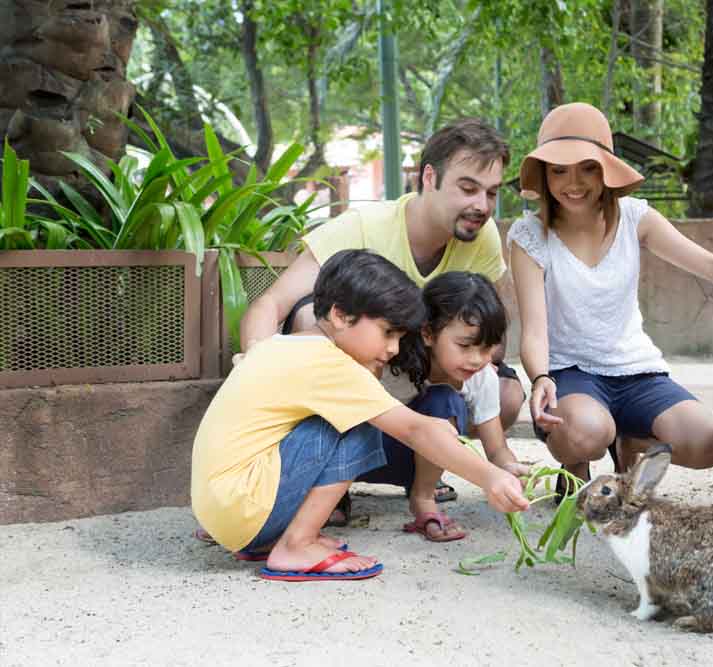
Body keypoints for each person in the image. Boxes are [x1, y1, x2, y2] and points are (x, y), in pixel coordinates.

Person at [242, 119, 527, 518]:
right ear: (429, 177)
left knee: (504, 393)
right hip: (358, 384)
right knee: (313, 320)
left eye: (491, 193)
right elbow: (269, 306)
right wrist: (257, 362)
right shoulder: (363, 228)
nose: (481, 205)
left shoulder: (481, 237)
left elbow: (491, 336)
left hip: (421, 383)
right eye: (468, 188)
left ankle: (424, 471)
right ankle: (324, 474)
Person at [191, 249, 528, 581]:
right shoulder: (331, 365)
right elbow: (413, 431)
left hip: (226, 512)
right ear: (340, 316)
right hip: (243, 509)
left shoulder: (290, 346)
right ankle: (297, 543)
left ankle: (279, 536)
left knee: (355, 418)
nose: (395, 348)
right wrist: (490, 477)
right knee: (360, 426)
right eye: (387, 332)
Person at [508, 102, 713, 484]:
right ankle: (574, 465)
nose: (573, 183)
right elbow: (535, 330)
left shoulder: (636, 217)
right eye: (559, 171)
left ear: (606, 168)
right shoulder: (529, 236)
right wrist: (539, 378)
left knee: (706, 443)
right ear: (544, 175)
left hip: (636, 371)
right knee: (586, 432)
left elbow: (712, 267)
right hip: (570, 373)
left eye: (588, 168)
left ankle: (630, 439)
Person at [356, 271, 533, 541]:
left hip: (411, 461)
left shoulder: (482, 378)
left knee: (445, 400)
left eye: (486, 349)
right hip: (358, 457)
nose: (476, 359)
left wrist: (509, 470)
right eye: (465, 346)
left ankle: (423, 498)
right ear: (428, 333)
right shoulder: (391, 365)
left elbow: (496, 448)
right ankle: (333, 497)